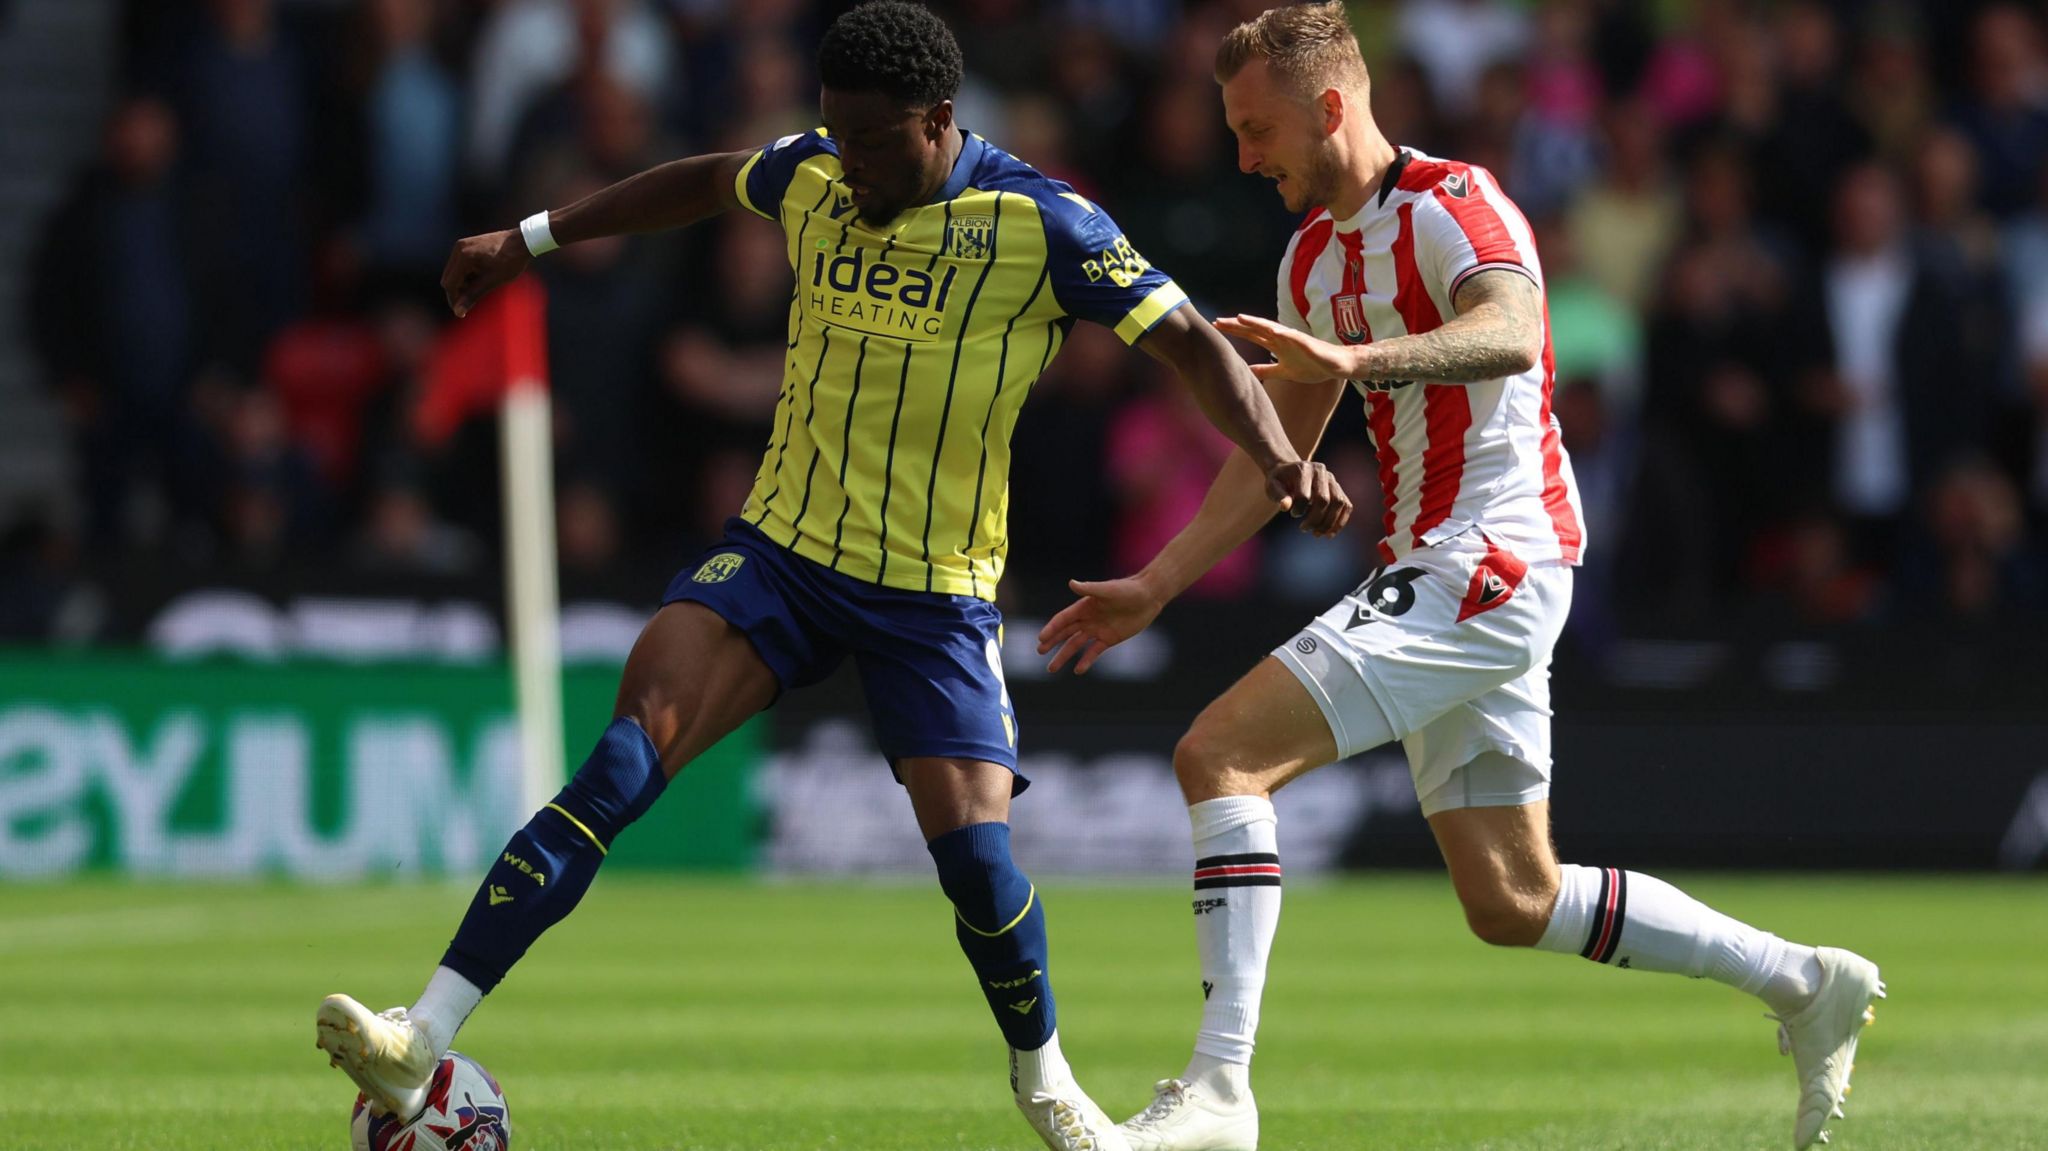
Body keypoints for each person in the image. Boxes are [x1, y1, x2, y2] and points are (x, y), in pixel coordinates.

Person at [312, 5, 1350, 1150]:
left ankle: (1046, 1081)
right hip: (780, 553)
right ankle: (425, 1027)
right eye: (831, 137)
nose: (843, 166)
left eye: (867, 143)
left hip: (932, 590)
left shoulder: (1043, 223)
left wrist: (1280, 458)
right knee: (621, 756)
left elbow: (1192, 342)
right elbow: (704, 180)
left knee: (975, 865)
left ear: (939, 121)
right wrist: (533, 236)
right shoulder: (811, 172)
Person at [1035, 7, 1882, 1151]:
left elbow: (1513, 327)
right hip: (1447, 564)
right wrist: (1157, 580)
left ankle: (1220, 1090)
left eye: (1256, 128)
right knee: (1511, 900)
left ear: (1330, 106)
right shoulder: (1308, 256)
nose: (1242, 155)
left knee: (1218, 753)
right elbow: (1276, 451)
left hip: (1490, 553)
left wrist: (1358, 358)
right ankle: (1799, 980)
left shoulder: (1451, 203)